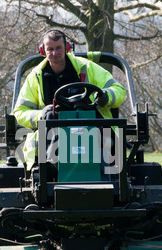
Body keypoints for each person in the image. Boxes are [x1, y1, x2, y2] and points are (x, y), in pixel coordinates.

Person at [13, 30, 126, 169]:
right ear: (43, 50)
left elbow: (119, 90)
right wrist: (41, 115)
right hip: (53, 132)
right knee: (49, 123)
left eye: (59, 48)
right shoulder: (35, 76)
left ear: (66, 47)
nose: (55, 53)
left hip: (93, 127)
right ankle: (50, 170)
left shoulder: (87, 67)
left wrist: (106, 96)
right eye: (50, 49)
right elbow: (20, 111)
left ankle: (108, 173)